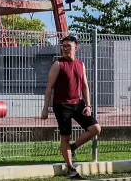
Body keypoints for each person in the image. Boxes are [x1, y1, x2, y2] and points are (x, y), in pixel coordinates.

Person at [42, 35, 101, 178]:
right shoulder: (58, 64)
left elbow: (85, 86)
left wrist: (88, 105)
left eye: (69, 46)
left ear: (76, 47)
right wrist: (45, 108)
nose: (66, 49)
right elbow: (49, 87)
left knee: (95, 128)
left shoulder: (81, 64)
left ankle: (73, 148)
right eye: (63, 46)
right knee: (65, 138)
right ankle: (70, 168)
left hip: (78, 104)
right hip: (61, 106)